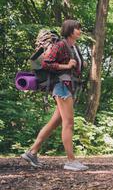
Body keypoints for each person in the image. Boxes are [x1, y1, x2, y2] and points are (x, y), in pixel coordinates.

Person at [21, 20, 88, 171]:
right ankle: (70, 161)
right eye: (78, 28)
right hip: (62, 87)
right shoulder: (61, 45)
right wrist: (66, 66)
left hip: (68, 87)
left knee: (55, 123)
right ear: (70, 30)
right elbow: (46, 63)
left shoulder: (74, 47)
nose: (80, 31)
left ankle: (31, 152)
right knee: (69, 123)